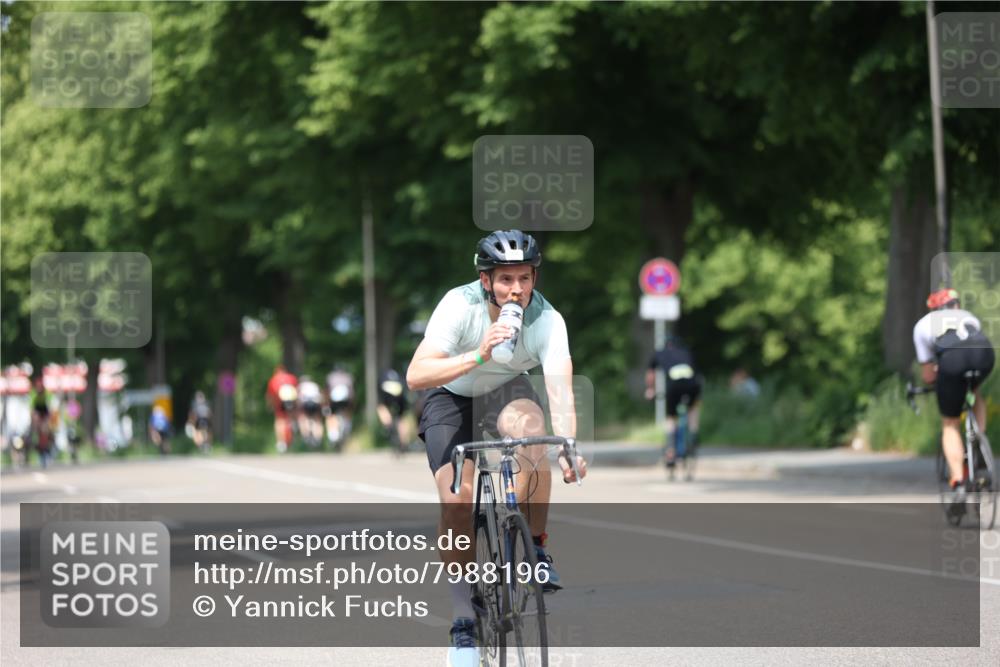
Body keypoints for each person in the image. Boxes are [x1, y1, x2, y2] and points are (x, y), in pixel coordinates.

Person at [406, 229, 587, 667]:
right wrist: (480, 355)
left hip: (505, 388)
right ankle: (463, 619)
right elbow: (416, 374)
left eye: (524, 278)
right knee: (457, 499)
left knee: (535, 434)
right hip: (449, 393)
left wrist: (570, 445)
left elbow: (559, 388)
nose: (517, 289)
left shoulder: (547, 319)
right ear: (486, 280)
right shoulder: (458, 305)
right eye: (506, 279)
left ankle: (536, 548)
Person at [913, 288, 995, 512]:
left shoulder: (922, 325)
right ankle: (979, 439)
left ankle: (958, 482)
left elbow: (929, 374)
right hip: (984, 354)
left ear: (933, 308)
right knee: (975, 391)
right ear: (956, 305)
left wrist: (940, 382)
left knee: (950, 422)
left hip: (952, 360)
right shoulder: (969, 317)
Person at [645, 336, 702, 469]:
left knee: (671, 418)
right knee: (692, 410)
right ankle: (693, 434)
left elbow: (651, 374)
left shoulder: (660, 353)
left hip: (674, 385)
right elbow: (697, 372)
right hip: (692, 384)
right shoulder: (686, 352)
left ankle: (670, 451)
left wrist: (650, 390)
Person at [266, 364, 298, 453]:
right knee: (290, 420)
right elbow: (296, 391)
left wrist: (270, 406)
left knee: (280, 421)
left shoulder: (274, 379)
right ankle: (291, 434)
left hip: (280, 402)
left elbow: (271, 395)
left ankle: (281, 442)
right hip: (291, 401)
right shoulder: (292, 378)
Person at [377, 368, 409, 452]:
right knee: (401, 418)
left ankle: (388, 426)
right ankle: (403, 443)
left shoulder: (383, 376)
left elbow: (380, 390)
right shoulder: (399, 376)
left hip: (387, 392)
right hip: (400, 393)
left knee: (381, 407)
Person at [325, 367, 355, 450]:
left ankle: (333, 435)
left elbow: (327, 391)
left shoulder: (330, 377)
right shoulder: (348, 377)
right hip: (346, 400)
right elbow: (352, 392)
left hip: (334, 400)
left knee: (331, 416)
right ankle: (347, 428)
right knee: (347, 414)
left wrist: (327, 403)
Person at [297, 375, 325, 448]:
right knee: (317, 420)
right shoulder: (315, 385)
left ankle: (306, 435)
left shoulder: (300, 386)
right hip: (316, 403)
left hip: (306, 403)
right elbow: (321, 396)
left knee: (304, 418)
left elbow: (298, 398)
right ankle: (318, 438)